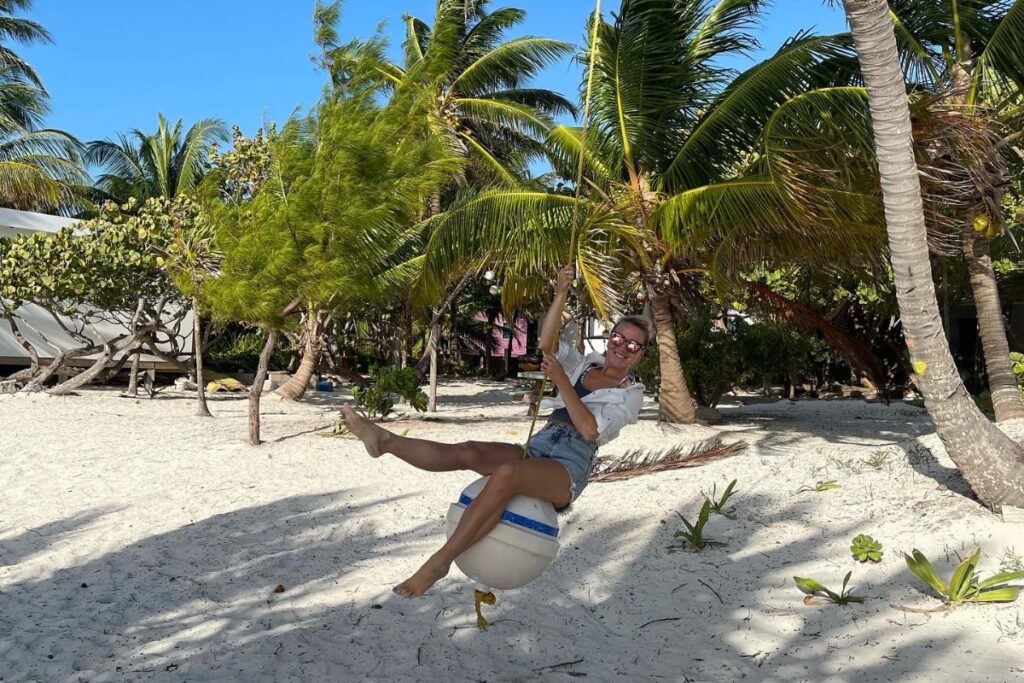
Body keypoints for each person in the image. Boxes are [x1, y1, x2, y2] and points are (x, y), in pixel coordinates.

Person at [341, 264, 649, 597]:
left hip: (569, 466)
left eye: (634, 345)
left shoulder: (631, 394)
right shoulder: (587, 362)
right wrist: (561, 292)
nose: (622, 346)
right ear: (611, 336)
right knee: (470, 451)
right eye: (618, 337)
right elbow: (547, 344)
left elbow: (590, 430)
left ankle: (438, 562)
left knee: (507, 474)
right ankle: (384, 441)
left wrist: (561, 380)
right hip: (543, 440)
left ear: (641, 354)